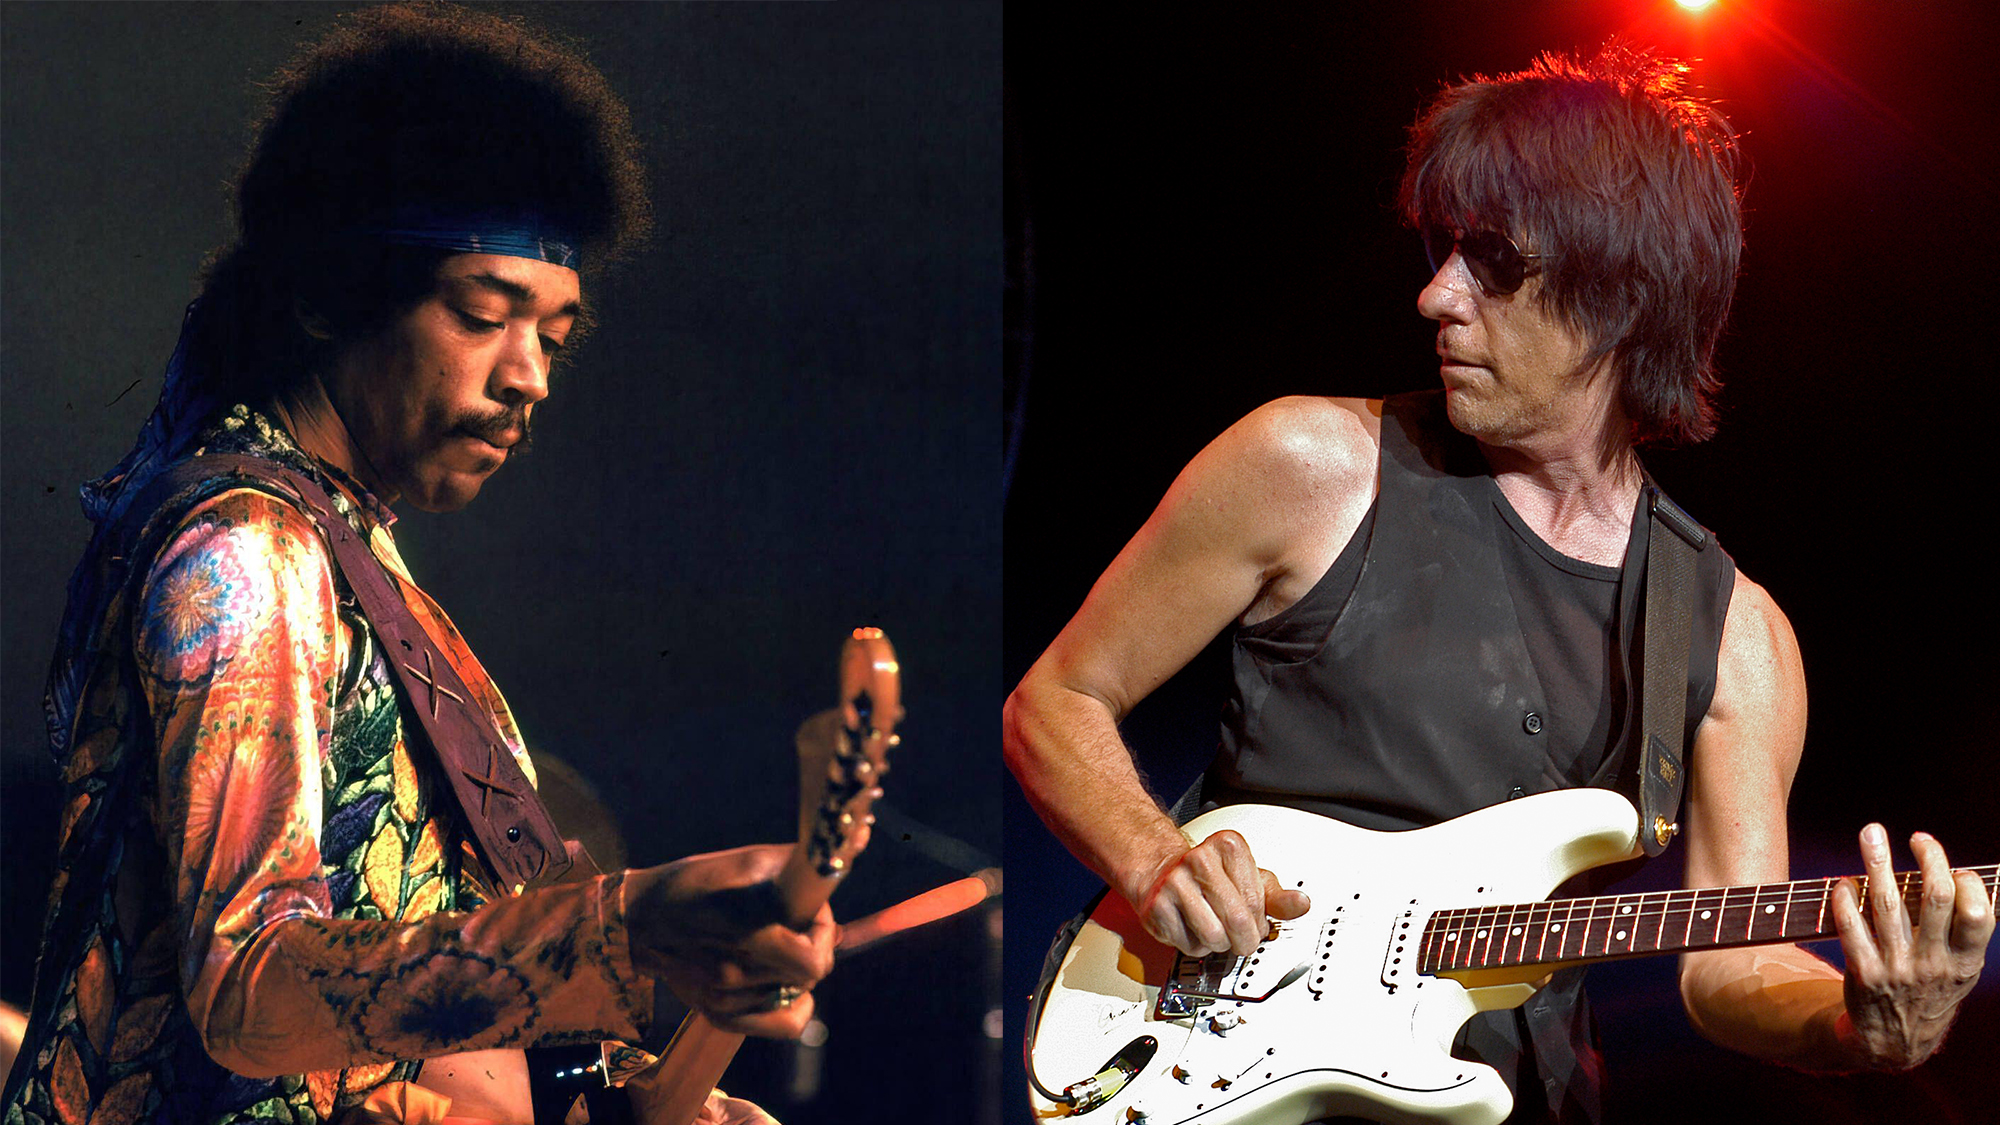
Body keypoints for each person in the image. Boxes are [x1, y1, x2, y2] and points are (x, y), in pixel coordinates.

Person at [1003, 45, 1991, 1121]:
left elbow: (1728, 965)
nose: (1435, 296)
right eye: (1440, 252)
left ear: (1620, 295)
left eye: (1492, 263)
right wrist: (1152, 860)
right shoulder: (1307, 465)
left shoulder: (1731, 634)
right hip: (1218, 1064)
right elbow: (1055, 699)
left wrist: (1867, 1027)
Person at [3, 7, 836, 1125]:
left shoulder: (360, 575)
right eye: (485, 315)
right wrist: (622, 926)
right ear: (325, 299)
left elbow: (413, 1035)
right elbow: (251, 988)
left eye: (553, 335)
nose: (529, 376)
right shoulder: (246, 554)